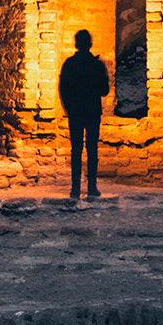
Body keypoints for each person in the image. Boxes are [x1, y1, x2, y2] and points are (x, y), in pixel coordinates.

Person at [57, 29, 109, 198]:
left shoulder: (70, 63)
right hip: (93, 111)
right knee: (92, 149)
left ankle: (75, 188)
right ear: (90, 44)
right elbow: (104, 91)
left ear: (76, 44)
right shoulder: (97, 65)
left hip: (76, 111)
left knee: (76, 149)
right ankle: (92, 187)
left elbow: (63, 89)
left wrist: (68, 109)